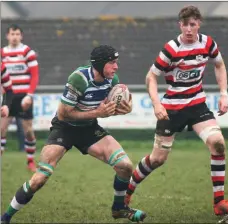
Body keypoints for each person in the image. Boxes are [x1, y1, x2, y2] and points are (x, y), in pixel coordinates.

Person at [1, 45, 147, 223]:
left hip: (88, 129)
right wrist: (98, 113)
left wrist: (125, 107)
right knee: (39, 179)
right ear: (100, 64)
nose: (116, 67)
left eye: (116, 63)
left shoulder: (112, 80)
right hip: (64, 128)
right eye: (112, 63)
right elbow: (64, 113)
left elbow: (117, 104)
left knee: (125, 166)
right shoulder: (79, 79)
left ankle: (119, 209)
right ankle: (5, 217)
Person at [125, 5, 228, 217]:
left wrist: (223, 94)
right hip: (171, 109)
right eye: (185, 25)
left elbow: (219, 65)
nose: (189, 29)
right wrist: (157, 104)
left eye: (193, 24)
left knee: (218, 144)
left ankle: (219, 201)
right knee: (157, 159)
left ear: (198, 24)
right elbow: (151, 77)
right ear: (180, 25)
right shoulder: (171, 49)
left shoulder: (208, 43)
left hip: (197, 105)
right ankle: (126, 193)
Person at [1, 24, 40, 171]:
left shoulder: (27, 52)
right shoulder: (2, 53)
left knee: (28, 131)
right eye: (12, 34)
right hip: (8, 97)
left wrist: (29, 95)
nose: (15, 36)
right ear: (7, 36)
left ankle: (30, 161)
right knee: (1, 129)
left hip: (24, 96)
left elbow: (35, 76)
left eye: (17, 34)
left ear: (21, 36)